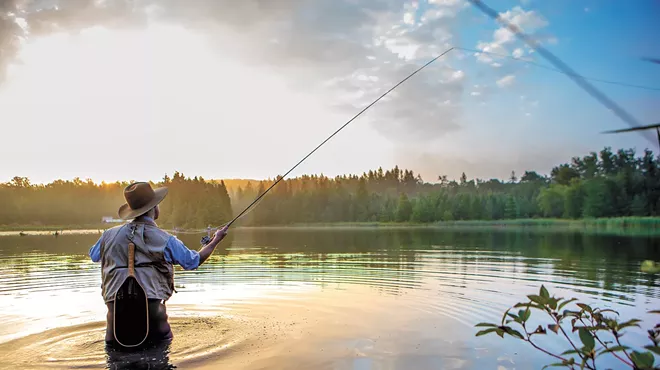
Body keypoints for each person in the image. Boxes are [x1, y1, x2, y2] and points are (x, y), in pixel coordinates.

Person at [88, 182, 228, 346]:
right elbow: (193, 261)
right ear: (153, 207)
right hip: (156, 332)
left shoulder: (107, 236)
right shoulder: (165, 239)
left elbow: (94, 255)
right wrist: (216, 240)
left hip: (114, 335)